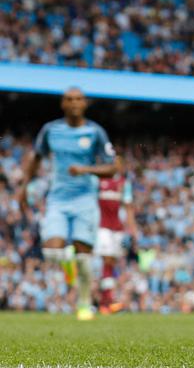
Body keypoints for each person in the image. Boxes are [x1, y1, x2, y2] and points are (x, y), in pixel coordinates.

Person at [18, 88, 122, 321]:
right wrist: (24, 187)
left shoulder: (95, 132)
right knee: (52, 251)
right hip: (57, 199)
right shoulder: (51, 130)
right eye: (69, 99)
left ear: (84, 104)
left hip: (85, 200)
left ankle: (84, 305)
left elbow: (113, 167)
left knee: (84, 258)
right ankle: (68, 268)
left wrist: (86, 169)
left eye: (78, 99)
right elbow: (36, 158)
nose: (74, 103)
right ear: (63, 104)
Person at [96, 172, 134, 314]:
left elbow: (128, 206)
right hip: (103, 227)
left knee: (111, 263)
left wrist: (131, 229)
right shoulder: (98, 180)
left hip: (118, 228)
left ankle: (107, 301)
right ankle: (107, 300)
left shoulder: (124, 183)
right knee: (107, 259)